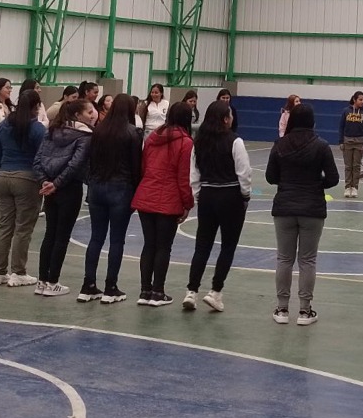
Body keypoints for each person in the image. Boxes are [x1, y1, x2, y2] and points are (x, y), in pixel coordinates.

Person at [266, 104, 339, 325]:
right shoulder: (321, 146)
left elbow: (270, 176)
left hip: (285, 207)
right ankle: (305, 311)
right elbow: (333, 178)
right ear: (312, 122)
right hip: (312, 208)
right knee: (307, 260)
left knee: (284, 259)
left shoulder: (280, 145)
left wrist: (288, 182)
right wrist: (317, 184)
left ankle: (282, 309)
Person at [184, 101, 251, 312]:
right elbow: (244, 173)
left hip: (207, 195)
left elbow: (194, 174)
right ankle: (215, 291)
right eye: (230, 115)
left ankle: (191, 291)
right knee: (228, 246)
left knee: (202, 245)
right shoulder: (235, 141)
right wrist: (245, 196)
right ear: (225, 118)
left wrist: (198, 196)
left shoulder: (199, 142)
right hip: (230, 195)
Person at [132, 102, 195, 307]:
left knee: (149, 245)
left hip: (146, 195)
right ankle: (158, 291)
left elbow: (144, 166)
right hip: (169, 199)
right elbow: (184, 177)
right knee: (163, 247)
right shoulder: (185, 143)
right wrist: (188, 203)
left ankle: (144, 290)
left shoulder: (152, 137)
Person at [83, 94, 143, 304]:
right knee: (117, 239)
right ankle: (111, 287)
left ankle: (88, 285)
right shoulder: (133, 133)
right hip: (121, 188)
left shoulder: (98, 130)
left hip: (97, 187)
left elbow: (89, 161)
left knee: (96, 238)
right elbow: (136, 167)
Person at [33, 99, 95, 297]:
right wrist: (56, 184)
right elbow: (75, 165)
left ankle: (42, 281)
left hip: (51, 188)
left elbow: (38, 160)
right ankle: (52, 282)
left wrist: (46, 182)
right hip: (68, 188)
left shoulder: (51, 131)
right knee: (61, 236)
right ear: (78, 115)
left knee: (50, 233)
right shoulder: (85, 136)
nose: (92, 115)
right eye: (89, 111)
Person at [0, 90, 46, 288]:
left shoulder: (3, 126)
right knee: (23, 227)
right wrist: (43, 180)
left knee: (5, 225)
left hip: (3, 176)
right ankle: (18, 272)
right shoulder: (37, 129)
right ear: (36, 106)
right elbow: (42, 157)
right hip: (26, 178)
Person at [339, 91, 363, 199]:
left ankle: (355, 188)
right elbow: (341, 127)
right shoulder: (346, 111)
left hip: (359, 141)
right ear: (354, 99)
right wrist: (341, 141)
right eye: (360, 99)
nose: (362, 102)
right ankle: (348, 187)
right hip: (347, 141)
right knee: (348, 166)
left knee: (356, 166)